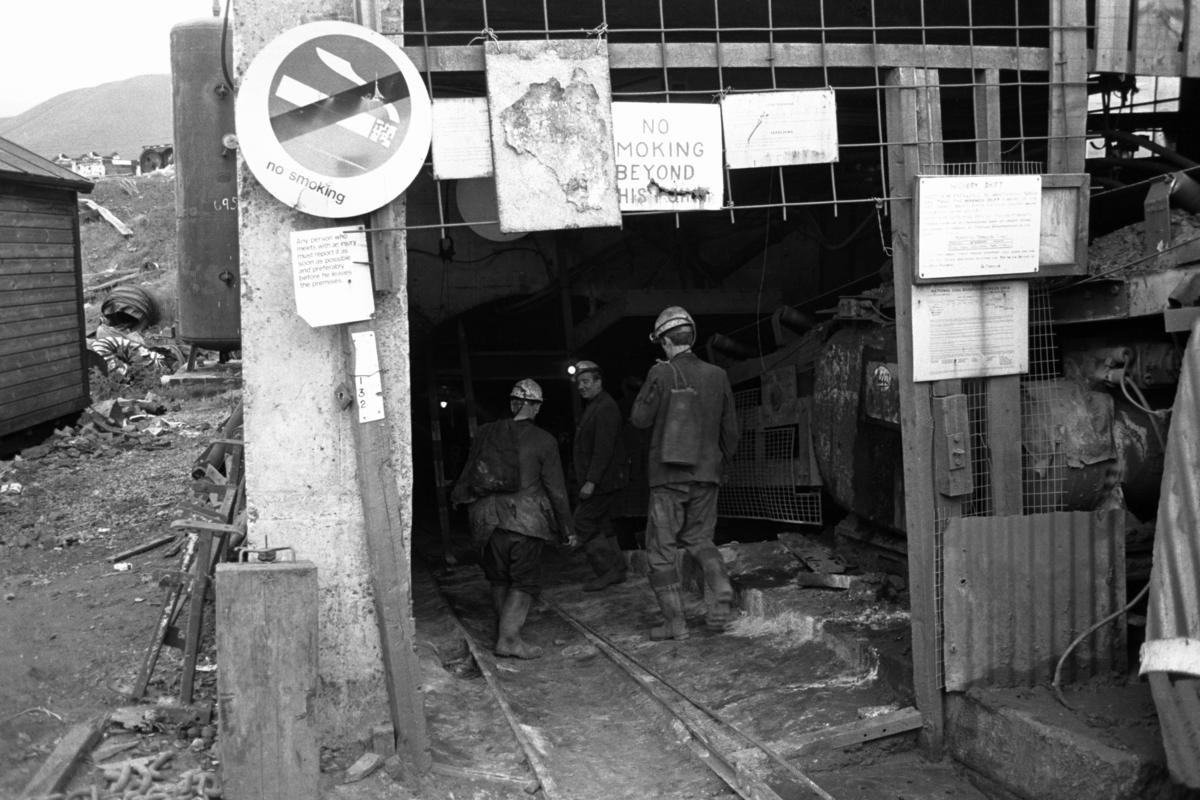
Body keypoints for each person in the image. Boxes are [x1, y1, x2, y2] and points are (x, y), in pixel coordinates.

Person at [630, 306, 739, 640]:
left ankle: (675, 623)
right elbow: (731, 432)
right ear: (691, 336)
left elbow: (639, 419)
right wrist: (720, 465)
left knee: (661, 552)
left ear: (665, 341)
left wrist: (654, 380)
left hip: (668, 478)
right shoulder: (718, 375)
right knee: (700, 539)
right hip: (707, 475)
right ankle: (719, 584)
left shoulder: (661, 373)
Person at [453, 379, 576, 658]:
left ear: (512, 404)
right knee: (524, 582)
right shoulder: (544, 440)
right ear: (535, 407)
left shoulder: (486, 434)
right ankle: (509, 640)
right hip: (524, 522)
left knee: (499, 579)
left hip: (487, 521)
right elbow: (556, 489)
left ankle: (504, 632)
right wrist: (567, 528)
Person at [571, 360, 629, 591]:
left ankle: (607, 571)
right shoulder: (596, 405)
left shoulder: (604, 407)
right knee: (602, 521)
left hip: (603, 480)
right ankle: (618, 568)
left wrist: (591, 481)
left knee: (583, 520)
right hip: (604, 479)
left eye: (586, 381)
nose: (581, 387)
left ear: (598, 381)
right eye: (579, 383)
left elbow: (603, 448)